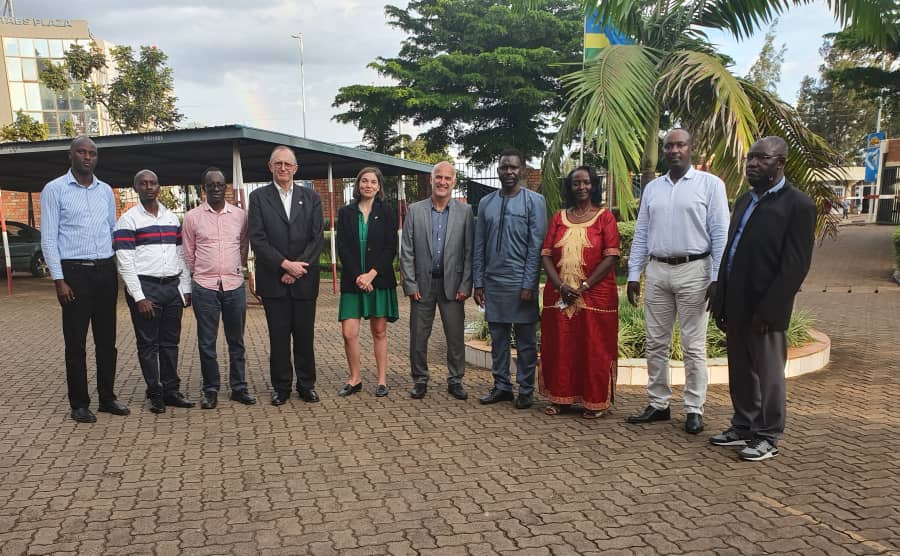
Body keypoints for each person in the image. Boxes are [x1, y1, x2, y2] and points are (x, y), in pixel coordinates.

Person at [710, 136, 816, 461]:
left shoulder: (798, 205)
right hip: (736, 304)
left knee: (769, 376)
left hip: (766, 309)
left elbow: (795, 266)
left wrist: (769, 311)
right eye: (750, 158)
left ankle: (768, 435)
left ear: (780, 162)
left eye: (762, 158)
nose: (752, 164)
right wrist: (721, 297)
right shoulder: (745, 200)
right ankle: (743, 425)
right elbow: (731, 252)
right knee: (740, 371)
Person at [626, 128, 729, 434]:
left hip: (694, 270)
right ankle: (658, 403)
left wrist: (718, 276)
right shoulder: (653, 188)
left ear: (691, 148)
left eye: (680, 145)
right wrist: (634, 273)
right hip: (658, 271)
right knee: (655, 342)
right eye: (669, 146)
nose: (674, 150)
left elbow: (720, 232)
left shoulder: (710, 185)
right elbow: (642, 232)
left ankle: (694, 408)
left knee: (693, 345)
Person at [40, 136, 129, 423]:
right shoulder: (55, 190)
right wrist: (59, 279)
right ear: (71, 155)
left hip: (104, 271)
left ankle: (107, 398)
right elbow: (49, 239)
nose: (87, 157)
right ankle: (79, 403)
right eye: (81, 152)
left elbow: (112, 230)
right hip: (74, 274)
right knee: (75, 342)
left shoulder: (105, 191)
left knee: (107, 340)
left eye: (92, 153)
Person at [539, 166, 620, 418]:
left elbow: (611, 257)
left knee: (593, 346)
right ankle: (560, 398)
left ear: (594, 185)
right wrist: (562, 286)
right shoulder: (559, 217)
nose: (581, 187)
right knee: (561, 344)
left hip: (595, 295)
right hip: (559, 294)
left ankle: (594, 401)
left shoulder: (605, 217)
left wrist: (583, 287)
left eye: (586, 183)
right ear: (570, 187)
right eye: (576, 183)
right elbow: (546, 255)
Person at [248, 146, 324, 406]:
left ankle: (306, 385)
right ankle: (281, 387)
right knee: (278, 338)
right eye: (278, 163)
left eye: (287, 164)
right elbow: (257, 238)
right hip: (274, 281)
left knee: (304, 337)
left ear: (295, 169)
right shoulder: (258, 198)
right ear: (270, 167)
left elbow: (317, 239)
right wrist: (284, 265)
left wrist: (296, 268)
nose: (283, 168)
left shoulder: (311, 198)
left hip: (304, 280)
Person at [114, 170, 194, 413]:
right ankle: (155, 393)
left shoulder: (171, 218)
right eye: (143, 183)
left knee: (171, 343)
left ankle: (171, 390)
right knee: (148, 344)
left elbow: (180, 255)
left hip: (171, 287)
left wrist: (185, 288)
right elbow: (124, 262)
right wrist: (139, 297)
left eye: (153, 183)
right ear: (135, 187)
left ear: (159, 187)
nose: (149, 187)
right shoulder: (128, 221)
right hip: (145, 288)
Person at [473, 148, 547, 409]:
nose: (509, 172)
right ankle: (502, 386)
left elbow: (537, 246)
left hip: (521, 283)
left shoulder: (534, 201)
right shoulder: (486, 203)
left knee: (526, 342)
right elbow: (479, 245)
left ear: (523, 170)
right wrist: (478, 282)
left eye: (514, 167)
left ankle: (526, 389)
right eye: (504, 167)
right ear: (498, 171)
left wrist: (529, 283)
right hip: (494, 282)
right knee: (499, 340)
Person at [182, 167, 256, 410]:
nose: (215, 188)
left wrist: (236, 268)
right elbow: (189, 253)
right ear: (203, 188)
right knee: (207, 342)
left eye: (219, 184)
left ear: (226, 187)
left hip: (234, 285)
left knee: (236, 340)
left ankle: (239, 387)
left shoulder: (240, 216)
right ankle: (210, 390)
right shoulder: (192, 217)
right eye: (210, 185)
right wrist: (201, 273)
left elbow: (243, 246)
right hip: (205, 287)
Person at [400, 161, 474, 400]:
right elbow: (407, 250)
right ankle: (420, 379)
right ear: (431, 180)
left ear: (454, 182)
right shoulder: (415, 210)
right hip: (422, 286)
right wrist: (410, 284)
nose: (442, 182)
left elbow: (469, 252)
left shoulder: (465, 212)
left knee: (455, 336)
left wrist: (466, 284)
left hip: (453, 286)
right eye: (438, 177)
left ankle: (455, 380)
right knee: (419, 335)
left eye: (447, 178)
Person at [335, 167, 399, 397]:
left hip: (378, 280)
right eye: (364, 181)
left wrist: (371, 274)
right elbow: (342, 247)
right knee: (349, 332)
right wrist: (358, 276)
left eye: (373, 181)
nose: (368, 185)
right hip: (353, 282)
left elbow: (391, 247)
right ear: (358, 184)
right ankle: (355, 379)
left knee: (379, 331)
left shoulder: (387, 211)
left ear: (379, 186)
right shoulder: (346, 213)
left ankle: (382, 380)